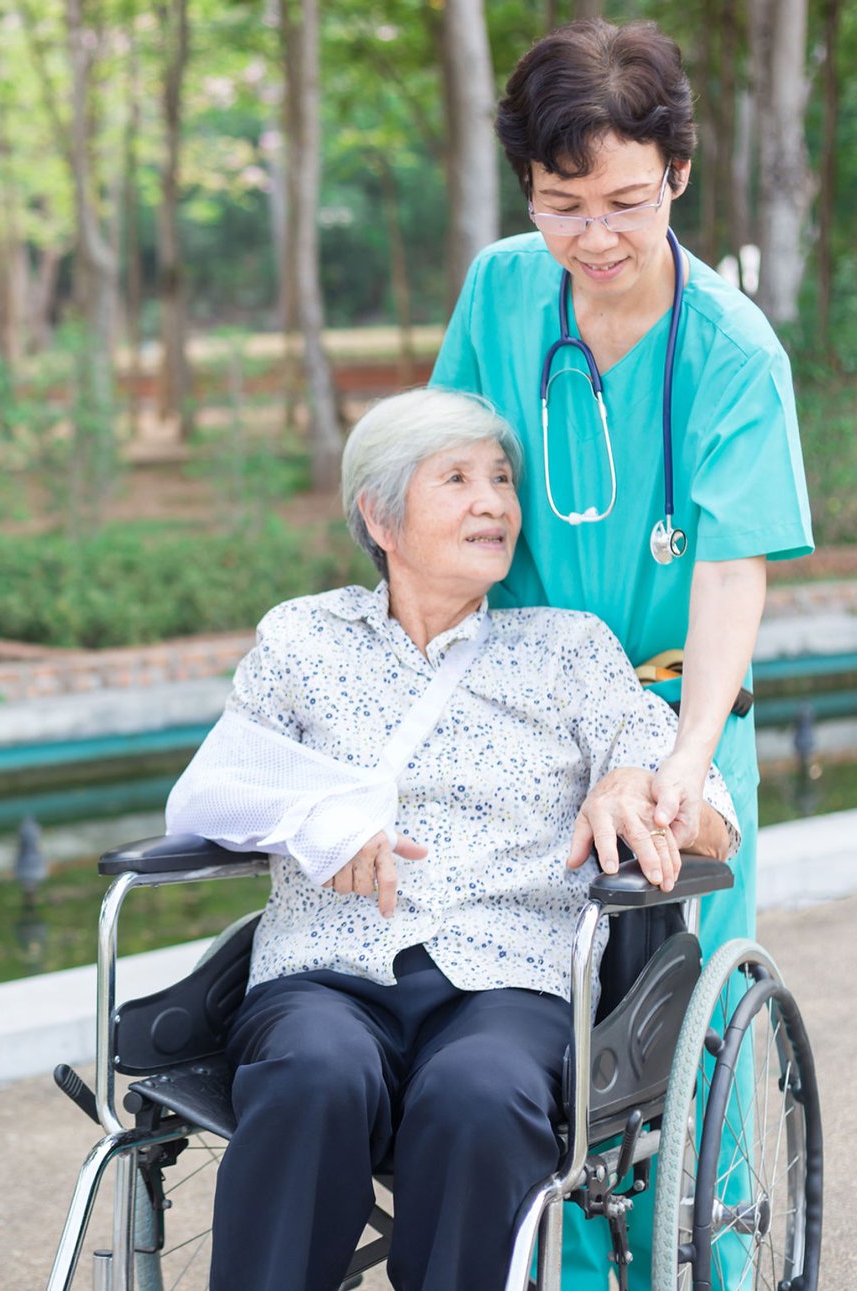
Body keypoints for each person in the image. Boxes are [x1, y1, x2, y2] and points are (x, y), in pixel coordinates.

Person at [165, 387, 739, 1291]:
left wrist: (641, 787)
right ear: (380, 515)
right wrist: (322, 818)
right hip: (325, 969)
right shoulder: (304, 637)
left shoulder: (566, 650)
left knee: (477, 1096)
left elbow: (706, 802)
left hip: (508, 978)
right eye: (460, 478)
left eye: (503, 480)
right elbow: (211, 789)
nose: (495, 502)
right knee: (314, 1071)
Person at [430, 18, 813, 1285]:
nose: (594, 237)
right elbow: (445, 478)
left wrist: (685, 762)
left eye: (626, 203)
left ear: (679, 180)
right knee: (531, 1026)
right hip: (519, 714)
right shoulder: (499, 291)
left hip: (671, 710)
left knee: (670, 1048)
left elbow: (727, 571)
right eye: (561, 204)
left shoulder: (730, 352)